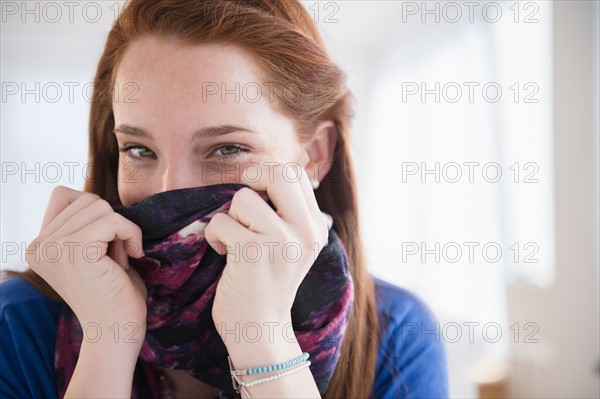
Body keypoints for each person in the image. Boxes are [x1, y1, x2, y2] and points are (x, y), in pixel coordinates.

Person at [0, 0, 449, 398]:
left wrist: (262, 337)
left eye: (226, 149)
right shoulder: (18, 325)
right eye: (140, 150)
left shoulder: (396, 334)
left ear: (314, 155)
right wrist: (109, 340)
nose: (168, 190)